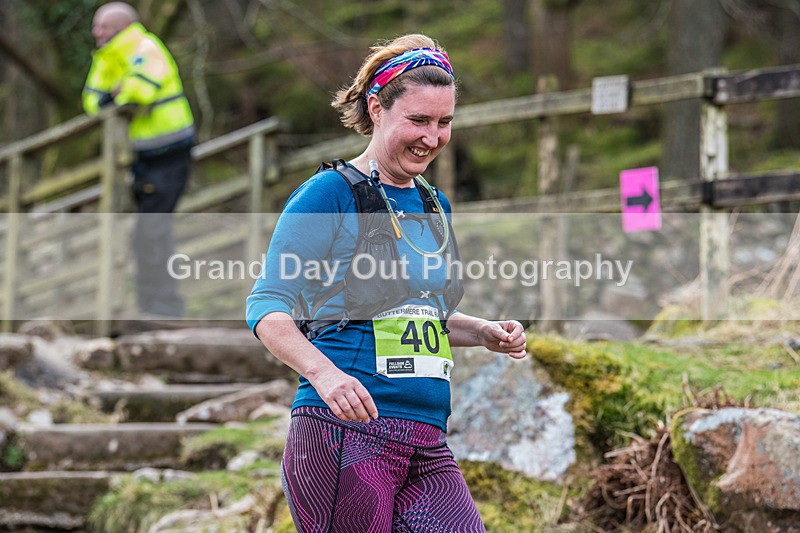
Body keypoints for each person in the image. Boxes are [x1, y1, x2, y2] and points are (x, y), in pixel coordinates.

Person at [246, 34, 527, 532]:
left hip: (426, 439)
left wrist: (482, 333)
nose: (432, 137)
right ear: (377, 108)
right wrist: (324, 374)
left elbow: (415, 310)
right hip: (345, 436)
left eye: (444, 123)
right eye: (418, 120)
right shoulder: (328, 194)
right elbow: (267, 307)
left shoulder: (432, 202)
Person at [82, 1, 195, 317]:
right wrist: (112, 95)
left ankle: (164, 306)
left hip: (169, 151)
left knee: (152, 229)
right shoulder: (106, 56)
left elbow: (138, 92)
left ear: (120, 26)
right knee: (145, 230)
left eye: (101, 26)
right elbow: (92, 100)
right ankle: (155, 304)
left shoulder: (145, 47)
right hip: (140, 155)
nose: (95, 32)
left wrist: (116, 95)